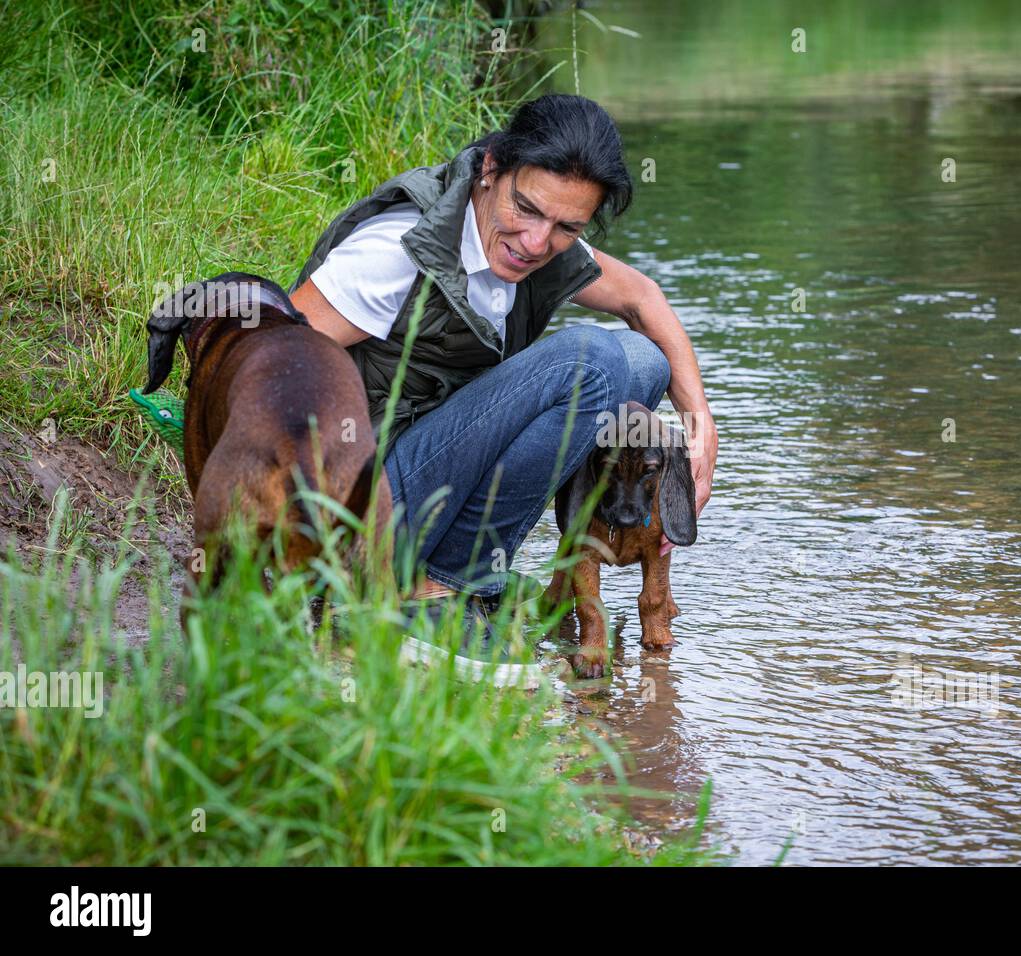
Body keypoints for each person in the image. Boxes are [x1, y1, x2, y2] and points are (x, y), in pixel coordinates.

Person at [288, 94, 717, 685]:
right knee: (591, 361)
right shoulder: (395, 250)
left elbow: (641, 297)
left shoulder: (536, 235)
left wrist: (699, 427)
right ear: (490, 168)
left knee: (642, 362)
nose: (537, 243)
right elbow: (273, 356)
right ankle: (440, 594)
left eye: (567, 227)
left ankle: (491, 574)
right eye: (527, 209)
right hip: (362, 507)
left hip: (433, 468)